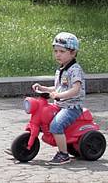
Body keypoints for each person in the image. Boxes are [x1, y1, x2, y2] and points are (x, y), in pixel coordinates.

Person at [32, 32, 85, 165]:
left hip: (71, 108)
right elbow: (58, 88)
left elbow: (75, 89)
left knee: (56, 125)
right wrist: (44, 88)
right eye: (55, 51)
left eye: (62, 51)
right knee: (43, 118)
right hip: (60, 105)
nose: (58, 54)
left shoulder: (75, 70)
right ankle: (25, 144)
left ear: (73, 53)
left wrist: (59, 96)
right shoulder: (61, 69)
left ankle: (63, 154)